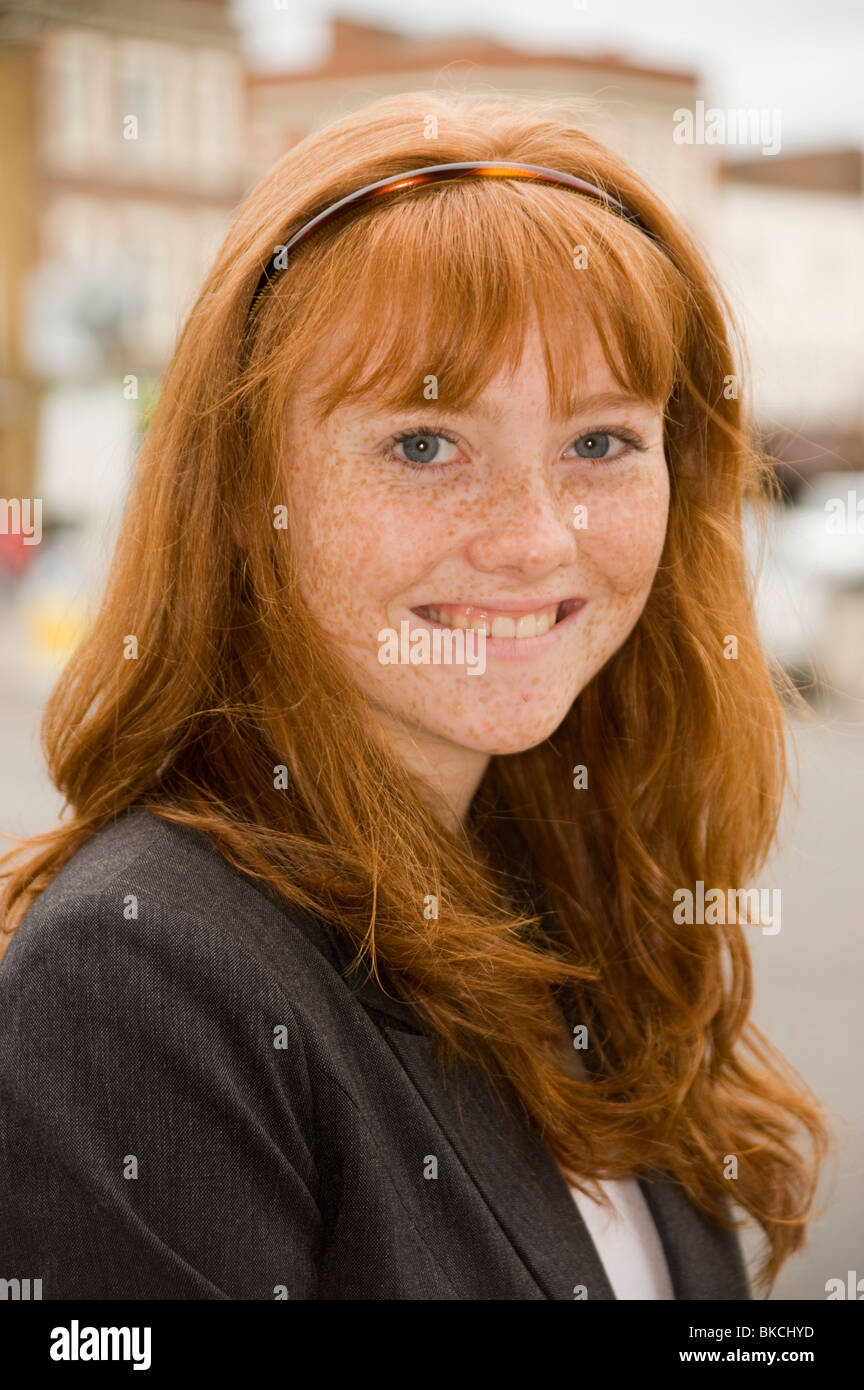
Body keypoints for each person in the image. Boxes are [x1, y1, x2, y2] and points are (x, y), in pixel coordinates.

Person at [0, 90, 829, 1301]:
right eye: (425, 443)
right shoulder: (143, 977)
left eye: (600, 442)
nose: (538, 540)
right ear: (243, 492)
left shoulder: (562, 890)